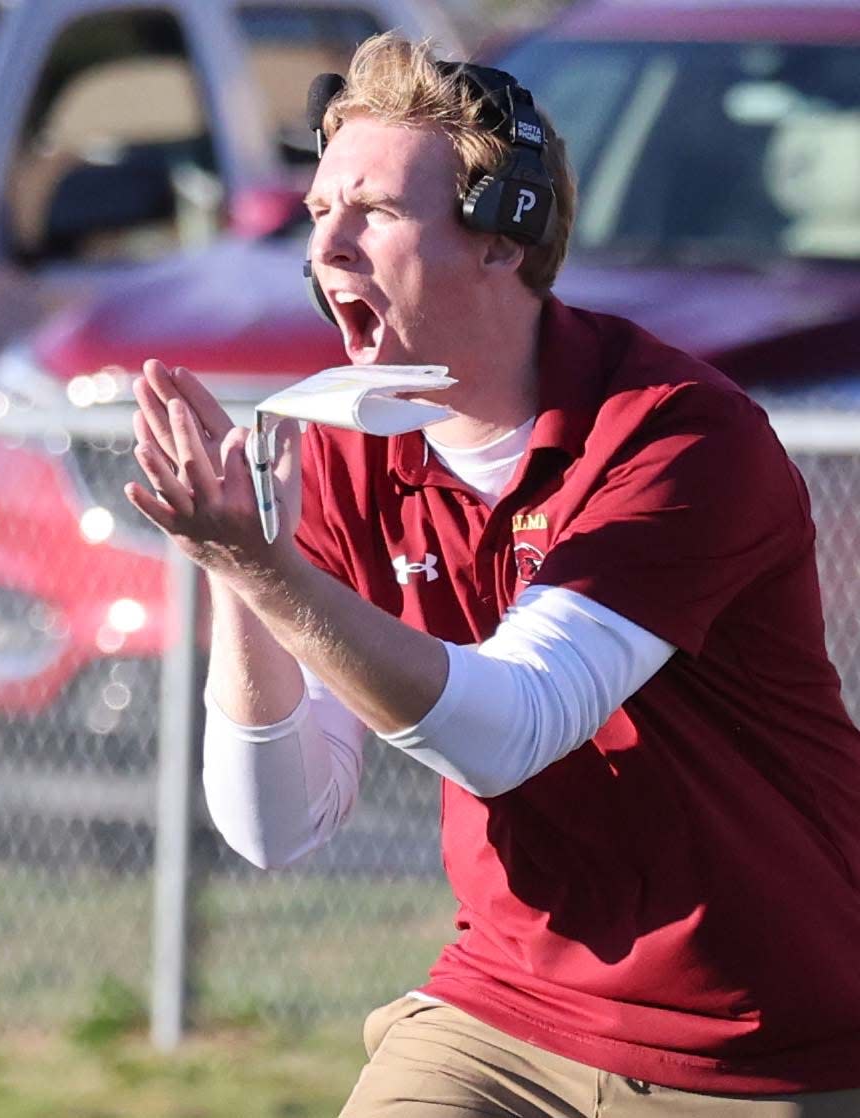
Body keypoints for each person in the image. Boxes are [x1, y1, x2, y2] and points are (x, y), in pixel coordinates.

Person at [124, 33, 860, 1118]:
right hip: (503, 1012)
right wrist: (235, 567)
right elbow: (276, 825)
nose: (325, 247)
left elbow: (509, 727)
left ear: (501, 239)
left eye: (371, 210)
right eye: (319, 209)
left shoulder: (674, 435)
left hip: (764, 1040)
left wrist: (263, 566)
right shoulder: (342, 441)